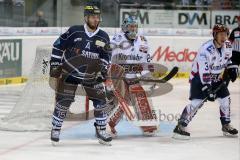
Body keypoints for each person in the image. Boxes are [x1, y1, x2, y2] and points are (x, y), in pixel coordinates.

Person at [50, 5, 112, 145]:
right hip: (70, 72)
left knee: (101, 101)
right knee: (64, 101)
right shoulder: (74, 31)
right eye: (93, 17)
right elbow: (58, 45)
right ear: (86, 18)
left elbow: (106, 55)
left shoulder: (104, 36)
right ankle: (56, 128)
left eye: (97, 17)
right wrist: (54, 64)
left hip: (91, 74)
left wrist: (102, 68)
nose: (96, 19)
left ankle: (101, 130)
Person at [173, 24, 238, 139]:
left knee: (225, 99)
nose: (224, 37)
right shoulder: (206, 49)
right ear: (214, 35)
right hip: (199, 78)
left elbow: (228, 59)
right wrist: (207, 88)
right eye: (221, 35)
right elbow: (204, 71)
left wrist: (232, 67)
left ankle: (226, 125)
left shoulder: (228, 45)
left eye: (225, 34)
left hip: (217, 78)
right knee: (197, 103)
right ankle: (180, 127)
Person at [107, 16, 158, 137]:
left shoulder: (143, 40)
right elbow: (110, 59)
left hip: (133, 75)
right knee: (121, 99)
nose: (133, 29)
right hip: (118, 75)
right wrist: (109, 77)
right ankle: (107, 123)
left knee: (140, 96)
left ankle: (148, 125)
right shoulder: (117, 39)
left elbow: (146, 62)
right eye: (131, 26)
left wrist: (148, 78)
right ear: (125, 27)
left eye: (135, 26)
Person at [223, 15, 240, 86]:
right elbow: (229, 42)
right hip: (235, 55)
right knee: (229, 71)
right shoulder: (235, 31)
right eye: (239, 21)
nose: (239, 22)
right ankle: (223, 87)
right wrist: (226, 52)